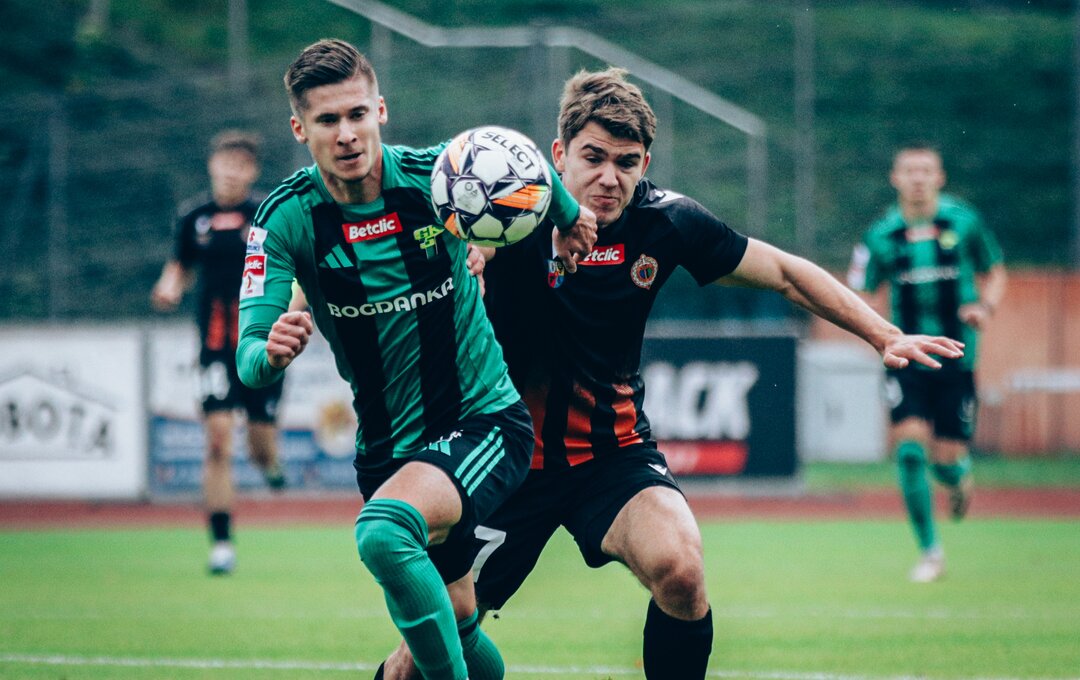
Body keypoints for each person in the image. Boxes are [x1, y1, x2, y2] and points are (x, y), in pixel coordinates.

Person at [380, 68, 965, 679]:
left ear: (646, 163)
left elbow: (787, 273)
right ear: (558, 155)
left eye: (626, 162)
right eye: (593, 158)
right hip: (503, 460)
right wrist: (464, 256)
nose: (610, 177)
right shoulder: (504, 213)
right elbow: (437, 250)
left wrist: (884, 334)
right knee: (421, 655)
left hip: (612, 455)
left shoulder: (667, 221)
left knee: (681, 569)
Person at [235, 39, 597, 680]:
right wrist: (268, 353)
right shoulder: (285, 218)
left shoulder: (440, 176)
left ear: (380, 110)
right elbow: (247, 354)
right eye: (327, 120)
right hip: (388, 451)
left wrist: (569, 218)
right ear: (299, 129)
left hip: (484, 422)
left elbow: (527, 165)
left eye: (357, 114)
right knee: (455, 619)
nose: (346, 134)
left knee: (382, 532)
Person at [847, 143, 1006, 583]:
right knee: (911, 450)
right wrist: (874, 331)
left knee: (946, 462)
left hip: (957, 357)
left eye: (926, 170)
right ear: (895, 178)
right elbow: (859, 289)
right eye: (909, 170)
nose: (918, 178)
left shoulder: (964, 221)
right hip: (904, 359)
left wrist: (985, 308)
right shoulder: (880, 234)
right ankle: (930, 552)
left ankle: (958, 477)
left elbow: (995, 270)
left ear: (940, 177)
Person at [151, 129, 294, 576]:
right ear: (212, 166)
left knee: (259, 446)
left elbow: (289, 266)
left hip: (261, 346)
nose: (232, 172)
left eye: (241, 165)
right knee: (216, 441)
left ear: (252, 172)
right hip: (213, 347)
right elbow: (179, 266)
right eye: (225, 163)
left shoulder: (266, 212)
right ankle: (222, 543)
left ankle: (270, 465)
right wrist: (169, 287)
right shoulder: (193, 217)